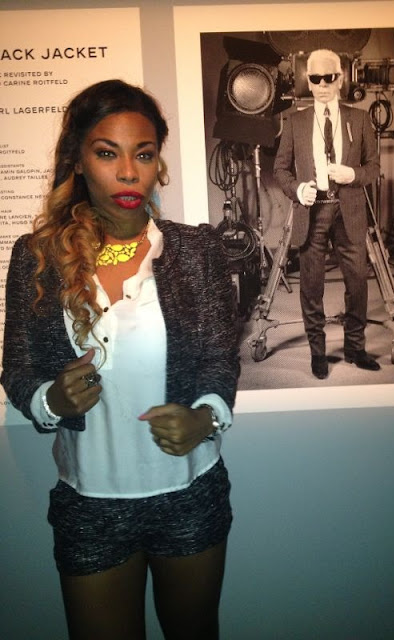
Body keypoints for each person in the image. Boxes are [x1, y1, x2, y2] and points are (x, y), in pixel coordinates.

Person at [1, 79, 239, 640]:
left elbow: (220, 359)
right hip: (89, 502)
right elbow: (18, 367)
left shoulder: (196, 250)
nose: (129, 173)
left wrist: (205, 416)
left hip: (188, 492)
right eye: (108, 153)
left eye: (144, 154)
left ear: (159, 164)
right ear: (78, 161)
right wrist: (51, 400)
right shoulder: (36, 257)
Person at [274, 49, 381, 379]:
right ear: (308, 81)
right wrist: (297, 190)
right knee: (311, 286)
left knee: (357, 283)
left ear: (340, 79)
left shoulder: (359, 119)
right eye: (315, 78)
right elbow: (280, 169)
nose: (322, 85)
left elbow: (374, 167)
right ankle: (317, 354)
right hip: (313, 210)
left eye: (328, 78)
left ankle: (355, 349)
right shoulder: (295, 121)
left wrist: (354, 175)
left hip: (349, 211)